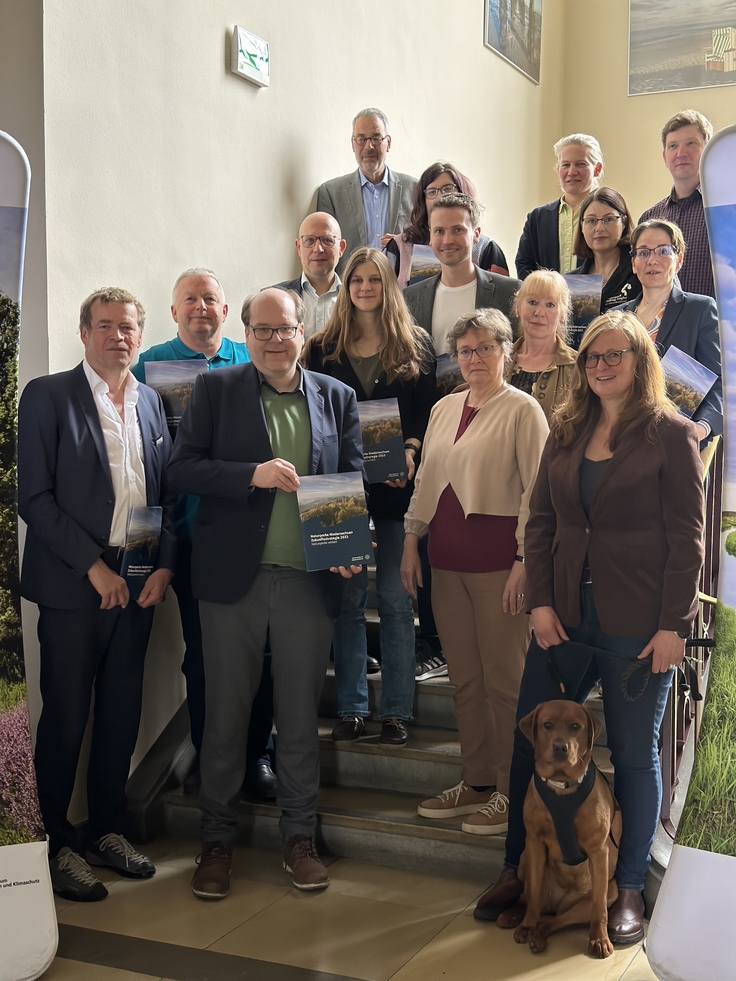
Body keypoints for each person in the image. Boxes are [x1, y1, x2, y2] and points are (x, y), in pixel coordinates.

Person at [473, 310, 705, 946]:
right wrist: (542, 602)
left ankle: (627, 886)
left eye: (615, 355)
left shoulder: (673, 435)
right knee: (531, 739)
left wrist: (673, 626)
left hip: (640, 625)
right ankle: (519, 871)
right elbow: (542, 521)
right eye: (593, 357)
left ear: (640, 361)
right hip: (564, 620)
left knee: (632, 754)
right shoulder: (566, 430)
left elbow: (688, 542)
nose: (602, 366)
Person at [168, 287, 363, 899]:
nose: (275, 340)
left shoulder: (337, 397)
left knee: (300, 719)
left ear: (303, 332)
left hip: (308, 583)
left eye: (286, 329)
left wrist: (347, 547)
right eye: (263, 330)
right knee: (225, 717)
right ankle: (217, 841)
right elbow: (180, 469)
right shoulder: (215, 391)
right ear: (244, 334)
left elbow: (348, 477)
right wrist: (248, 475)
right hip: (233, 584)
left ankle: (298, 839)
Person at [18, 287, 176, 902]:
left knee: (120, 714)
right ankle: (57, 844)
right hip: (73, 584)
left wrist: (159, 566)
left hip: (137, 580)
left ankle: (106, 830)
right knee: (65, 719)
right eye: (105, 326)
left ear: (139, 334)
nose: (118, 336)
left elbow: (157, 497)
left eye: (127, 327)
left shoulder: (152, 403)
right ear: (84, 333)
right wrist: (94, 567)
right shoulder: (48, 396)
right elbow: (35, 498)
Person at [400, 309, 548, 834]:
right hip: (445, 562)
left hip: (497, 566)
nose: (475, 358)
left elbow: (538, 492)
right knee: (464, 680)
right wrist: (411, 540)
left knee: (504, 684)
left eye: (486, 347)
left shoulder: (523, 410)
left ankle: (513, 791)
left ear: (507, 350)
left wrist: (524, 563)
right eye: (465, 350)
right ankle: (478, 781)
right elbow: (426, 485)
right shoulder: (442, 408)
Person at [133, 269, 276, 801]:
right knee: (202, 658)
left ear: (225, 309)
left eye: (209, 298)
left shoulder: (253, 353)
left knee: (260, 657)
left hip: (255, 533)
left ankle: (257, 756)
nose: (200, 307)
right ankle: (207, 754)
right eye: (189, 299)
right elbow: (150, 464)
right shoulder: (149, 365)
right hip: (190, 538)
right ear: (174, 312)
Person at [304, 248, 437, 747]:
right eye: (356, 279)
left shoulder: (415, 345)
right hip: (336, 491)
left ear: (388, 286)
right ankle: (353, 707)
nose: (364, 287)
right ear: (346, 286)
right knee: (348, 602)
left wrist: (410, 447)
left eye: (373, 280)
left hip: (394, 491)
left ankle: (397, 711)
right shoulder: (321, 349)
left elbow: (426, 414)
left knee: (398, 603)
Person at [618, 219, 721, 443]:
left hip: (675, 441)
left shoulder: (700, 310)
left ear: (679, 259)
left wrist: (700, 429)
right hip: (620, 436)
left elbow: (718, 383)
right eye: (643, 253)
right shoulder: (615, 317)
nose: (653, 260)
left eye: (663, 251)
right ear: (634, 263)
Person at [403, 193, 519, 354]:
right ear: (430, 235)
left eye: (457, 230)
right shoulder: (409, 298)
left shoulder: (509, 293)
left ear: (476, 234)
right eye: (439, 231)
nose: (448, 240)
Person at [317, 108, 417, 269]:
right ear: (353, 144)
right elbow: (325, 250)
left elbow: (429, 243)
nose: (369, 146)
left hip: (400, 290)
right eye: (361, 139)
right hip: (351, 290)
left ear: (388, 143)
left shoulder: (414, 189)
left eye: (376, 138)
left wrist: (403, 244)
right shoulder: (330, 193)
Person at [385, 161, 508, 288]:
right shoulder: (399, 246)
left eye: (447, 189)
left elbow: (501, 296)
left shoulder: (485, 248)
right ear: (423, 200)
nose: (440, 196)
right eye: (432, 192)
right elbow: (386, 297)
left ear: (461, 193)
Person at [639, 110, 715, 298]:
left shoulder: (724, 212)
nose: (681, 153)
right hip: (662, 325)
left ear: (708, 151)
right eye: (673, 146)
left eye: (691, 143)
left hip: (715, 325)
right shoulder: (650, 218)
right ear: (665, 157)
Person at [515, 134, 604, 279]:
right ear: (558, 170)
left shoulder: (610, 216)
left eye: (581, 164)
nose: (572, 171)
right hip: (547, 300)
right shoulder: (537, 217)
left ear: (597, 169)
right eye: (566, 165)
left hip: (596, 300)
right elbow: (524, 263)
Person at [505, 270, 577, 418]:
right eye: (532, 302)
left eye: (550, 305)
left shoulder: (578, 367)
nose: (539, 312)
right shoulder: (497, 360)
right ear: (518, 308)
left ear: (562, 314)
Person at [273, 212, 346, 338]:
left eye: (327, 240)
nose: (318, 249)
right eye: (309, 240)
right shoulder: (274, 298)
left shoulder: (357, 298)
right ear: (299, 247)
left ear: (341, 248)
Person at [573, 187, 642, 311]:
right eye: (591, 221)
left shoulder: (640, 272)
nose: (599, 228)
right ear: (582, 227)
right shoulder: (572, 283)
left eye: (609, 219)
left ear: (624, 222)